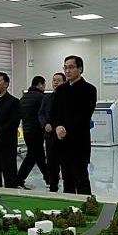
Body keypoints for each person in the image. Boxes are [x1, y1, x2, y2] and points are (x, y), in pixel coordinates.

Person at [50, 56, 97, 195]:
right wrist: (57, 126)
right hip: (61, 140)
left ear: (80, 69)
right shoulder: (60, 90)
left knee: (81, 178)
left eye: (71, 67)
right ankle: (69, 206)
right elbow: (53, 112)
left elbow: (84, 114)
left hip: (78, 141)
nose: (67, 71)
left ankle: (87, 205)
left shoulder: (89, 89)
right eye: (65, 68)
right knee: (67, 179)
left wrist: (66, 128)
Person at [17, 76, 48, 189]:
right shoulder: (41, 97)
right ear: (39, 84)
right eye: (44, 85)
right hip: (37, 130)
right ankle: (19, 180)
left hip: (26, 130)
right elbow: (44, 113)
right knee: (33, 155)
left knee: (37, 155)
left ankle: (48, 178)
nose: (44, 88)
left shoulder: (23, 97)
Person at [39, 72, 66, 192]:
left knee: (65, 163)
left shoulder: (67, 97)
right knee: (51, 162)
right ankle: (53, 185)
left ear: (64, 82)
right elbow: (41, 113)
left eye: (58, 80)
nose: (55, 82)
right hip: (50, 136)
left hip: (63, 135)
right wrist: (45, 124)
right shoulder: (47, 97)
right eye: (54, 80)